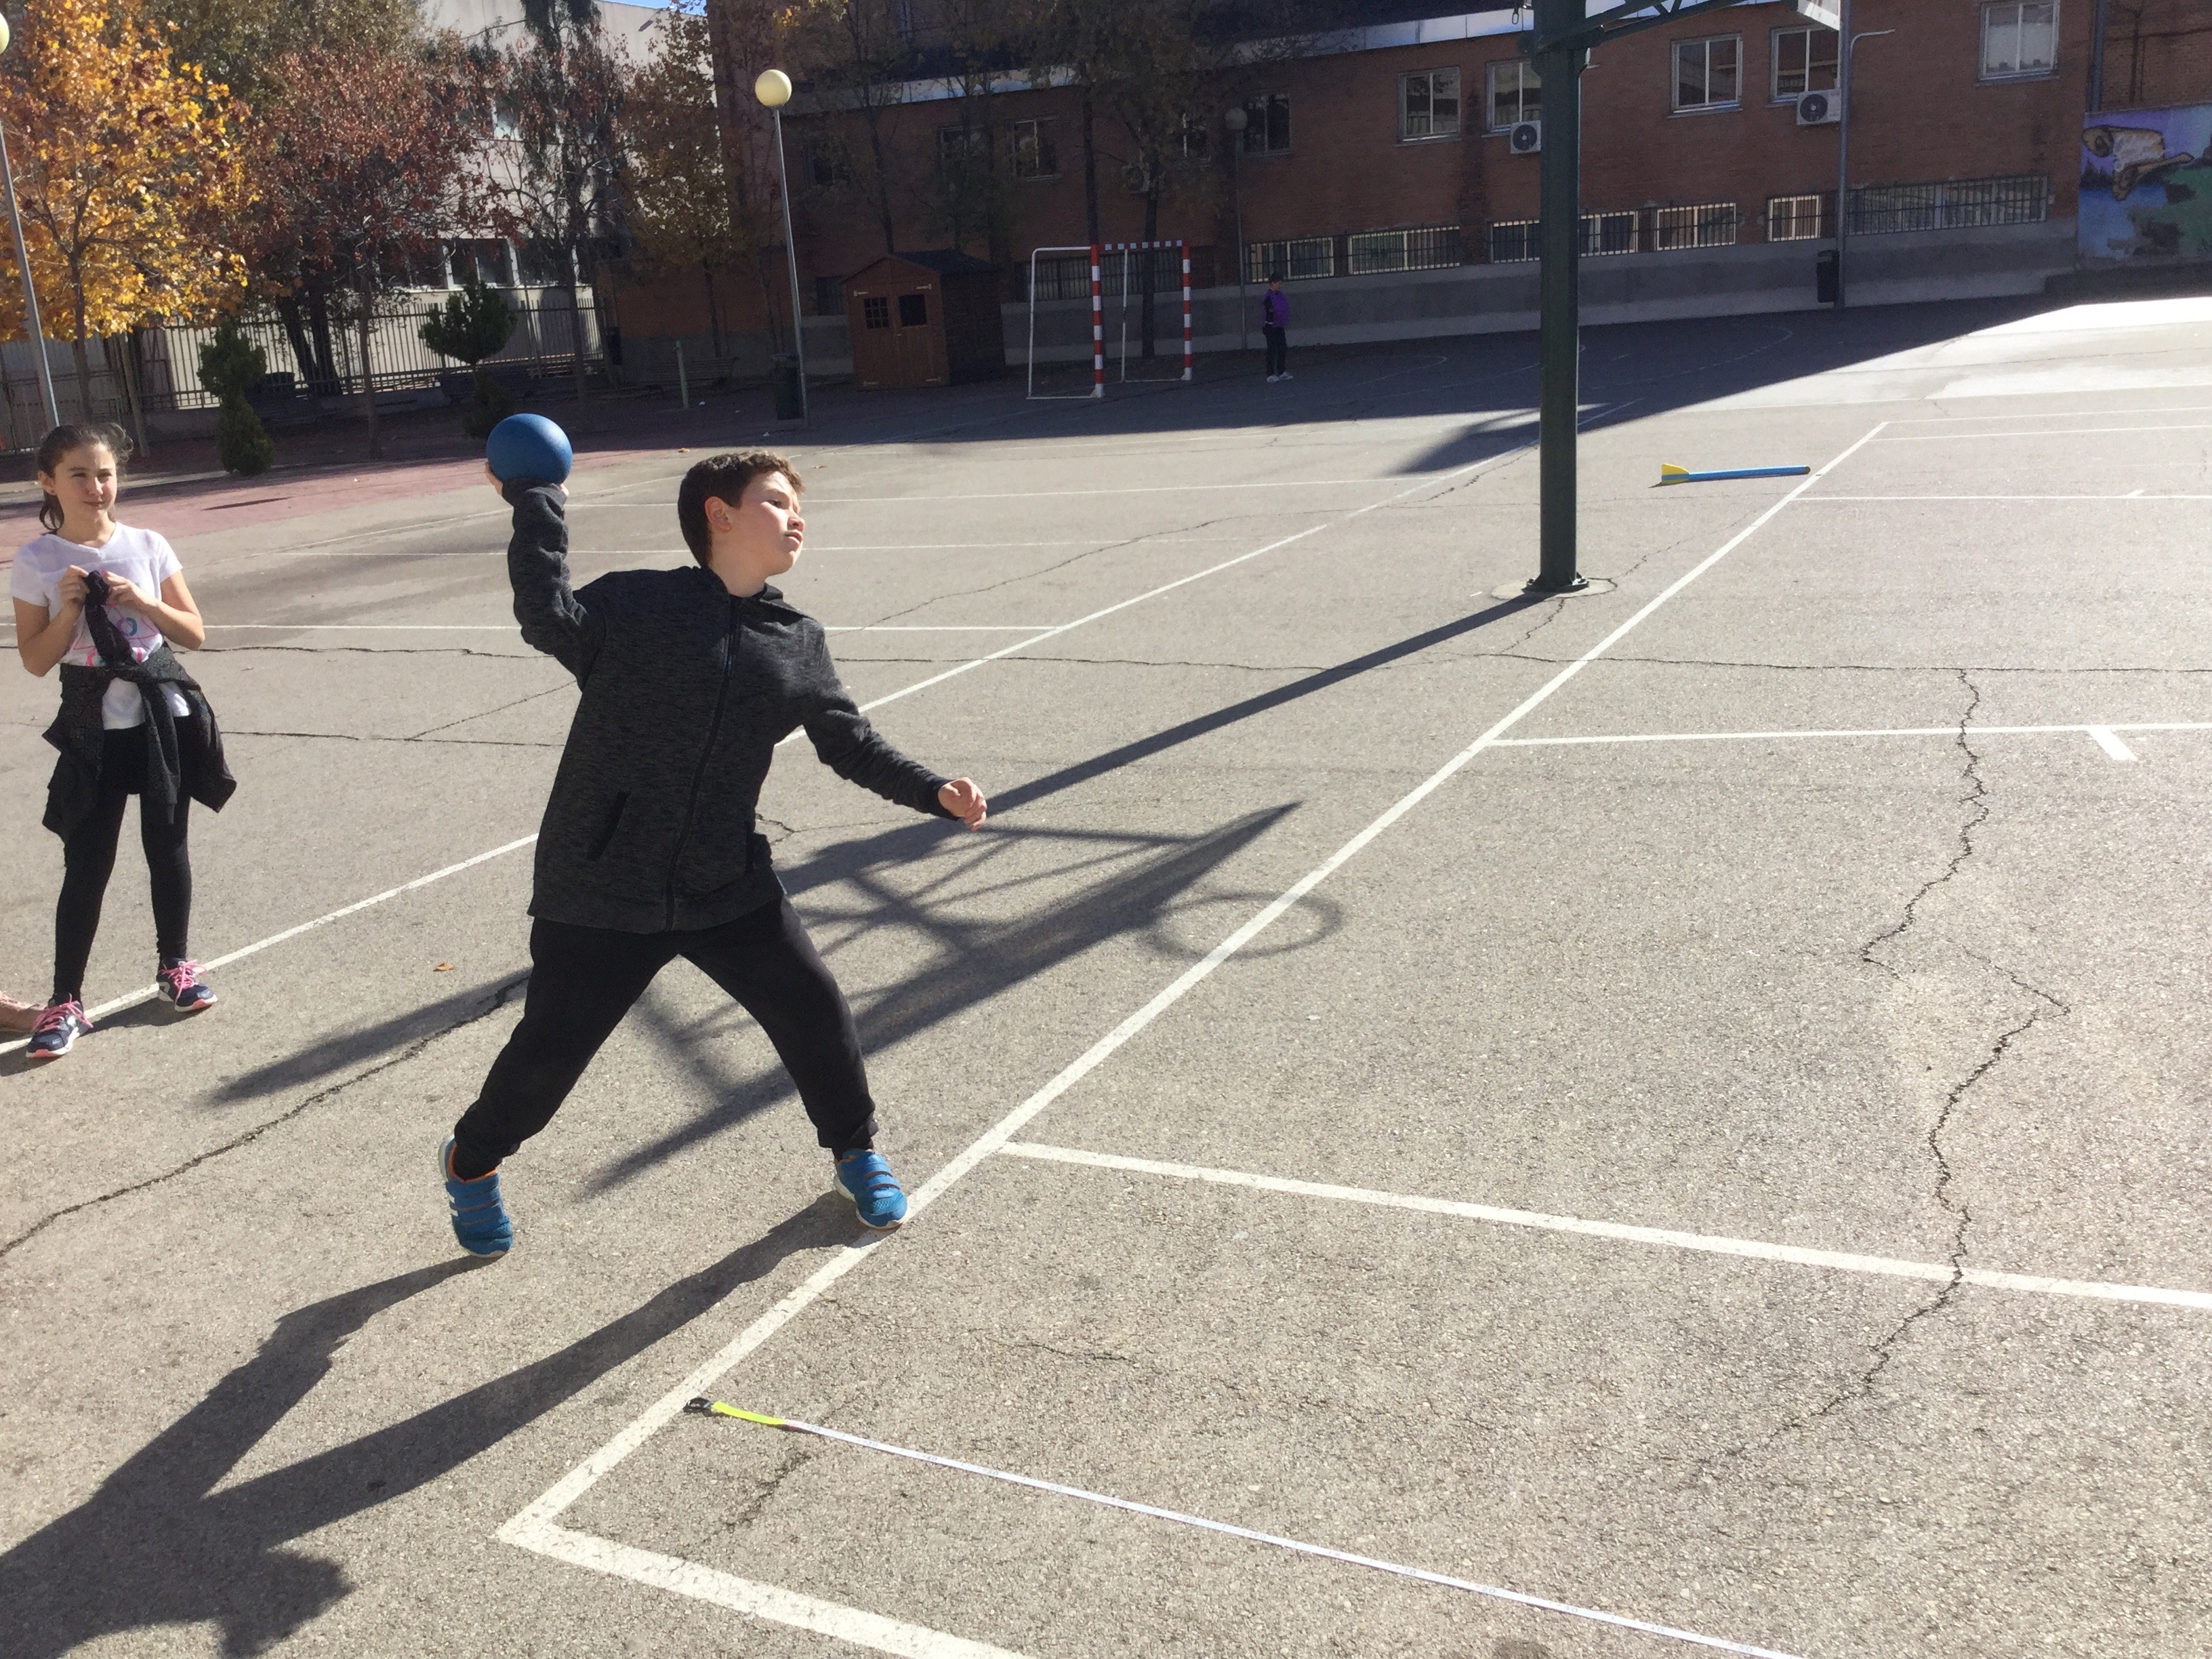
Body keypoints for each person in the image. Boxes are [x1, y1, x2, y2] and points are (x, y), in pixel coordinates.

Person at [440, 450, 989, 1257]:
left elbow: (849, 744)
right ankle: (472, 1162)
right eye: (777, 501)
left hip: (726, 880)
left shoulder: (796, 639)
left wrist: (933, 791)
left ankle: (856, 1152)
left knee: (813, 1009)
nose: (797, 517)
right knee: (546, 1060)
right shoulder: (637, 603)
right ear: (719, 515)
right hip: (601, 885)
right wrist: (536, 497)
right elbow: (545, 613)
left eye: (798, 505)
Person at [9, 424, 233, 1062]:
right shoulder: (36, 560)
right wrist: (67, 612)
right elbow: (35, 660)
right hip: (93, 726)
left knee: (168, 845)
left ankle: (175, 967)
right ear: (48, 482)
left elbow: (193, 633)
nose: (96, 486)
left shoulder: (148, 545)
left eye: (105, 474)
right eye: (79, 475)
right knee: (88, 861)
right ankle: (66, 1001)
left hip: (163, 715)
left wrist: (143, 601)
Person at [1263, 278, 1291, 383]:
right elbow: (1270, 310)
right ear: (1272, 284)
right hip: (1270, 326)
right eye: (1278, 284)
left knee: (1282, 348)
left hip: (1279, 325)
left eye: (1280, 284)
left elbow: (1284, 307)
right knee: (1272, 349)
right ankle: (1270, 374)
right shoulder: (1268, 296)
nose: (1280, 286)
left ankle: (1282, 371)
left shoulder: (1280, 295)